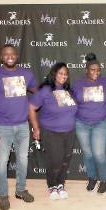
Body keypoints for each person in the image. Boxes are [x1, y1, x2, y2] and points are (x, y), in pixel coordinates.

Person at [0, 44, 36, 210]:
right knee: (1, 163)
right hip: (1, 128)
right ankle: (3, 195)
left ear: (17, 56)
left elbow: (38, 91)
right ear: (1, 57)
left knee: (22, 161)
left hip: (22, 127)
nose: (9, 56)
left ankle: (20, 190)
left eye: (12, 53)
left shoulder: (27, 74)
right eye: (6, 54)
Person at [29, 62, 77, 200]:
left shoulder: (68, 91)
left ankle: (60, 184)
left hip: (69, 132)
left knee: (65, 160)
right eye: (61, 73)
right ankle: (52, 186)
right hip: (51, 132)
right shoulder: (45, 90)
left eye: (66, 74)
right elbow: (31, 108)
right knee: (54, 161)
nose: (63, 76)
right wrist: (36, 128)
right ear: (54, 73)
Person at [73, 53, 106, 194]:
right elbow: (72, 102)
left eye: (98, 69)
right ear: (87, 69)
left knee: (99, 153)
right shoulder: (78, 83)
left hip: (100, 122)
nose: (96, 72)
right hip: (81, 123)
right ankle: (92, 177)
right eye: (93, 69)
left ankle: (104, 179)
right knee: (88, 154)